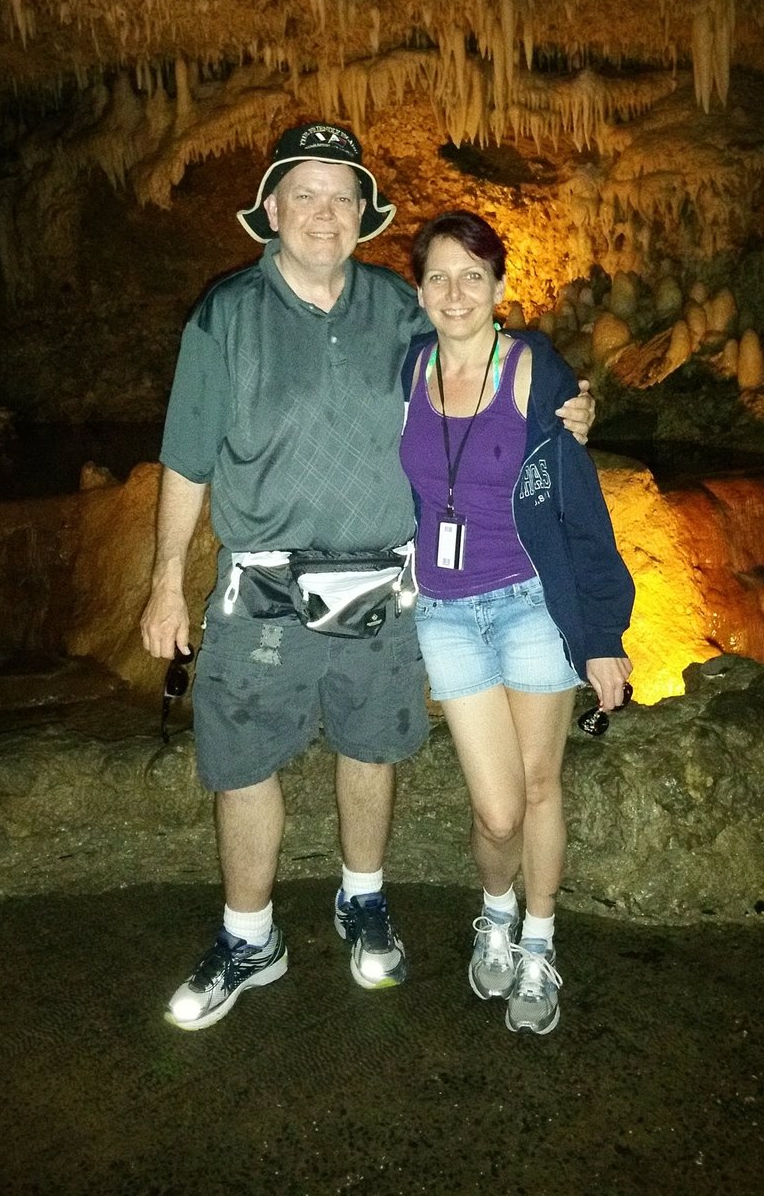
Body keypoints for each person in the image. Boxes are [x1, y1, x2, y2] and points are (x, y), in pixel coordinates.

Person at [140, 123, 595, 1031]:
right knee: (241, 766)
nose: (322, 212)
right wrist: (163, 582)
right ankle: (248, 935)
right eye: (303, 194)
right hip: (261, 589)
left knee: (371, 748)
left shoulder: (399, 306)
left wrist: (566, 401)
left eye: (340, 196)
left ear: (362, 216)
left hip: (385, 590)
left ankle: (363, 898)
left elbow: (484, 349)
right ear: (270, 211)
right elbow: (187, 457)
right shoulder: (224, 315)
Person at [399, 210, 634, 1036]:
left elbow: (581, 508)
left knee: (540, 787)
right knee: (496, 808)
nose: (455, 291)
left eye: (473, 275)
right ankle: (492, 909)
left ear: (499, 288)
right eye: (439, 275)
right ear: (419, 290)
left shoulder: (534, 367)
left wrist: (602, 634)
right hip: (448, 613)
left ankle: (535, 940)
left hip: (533, 601)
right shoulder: (407, 369)